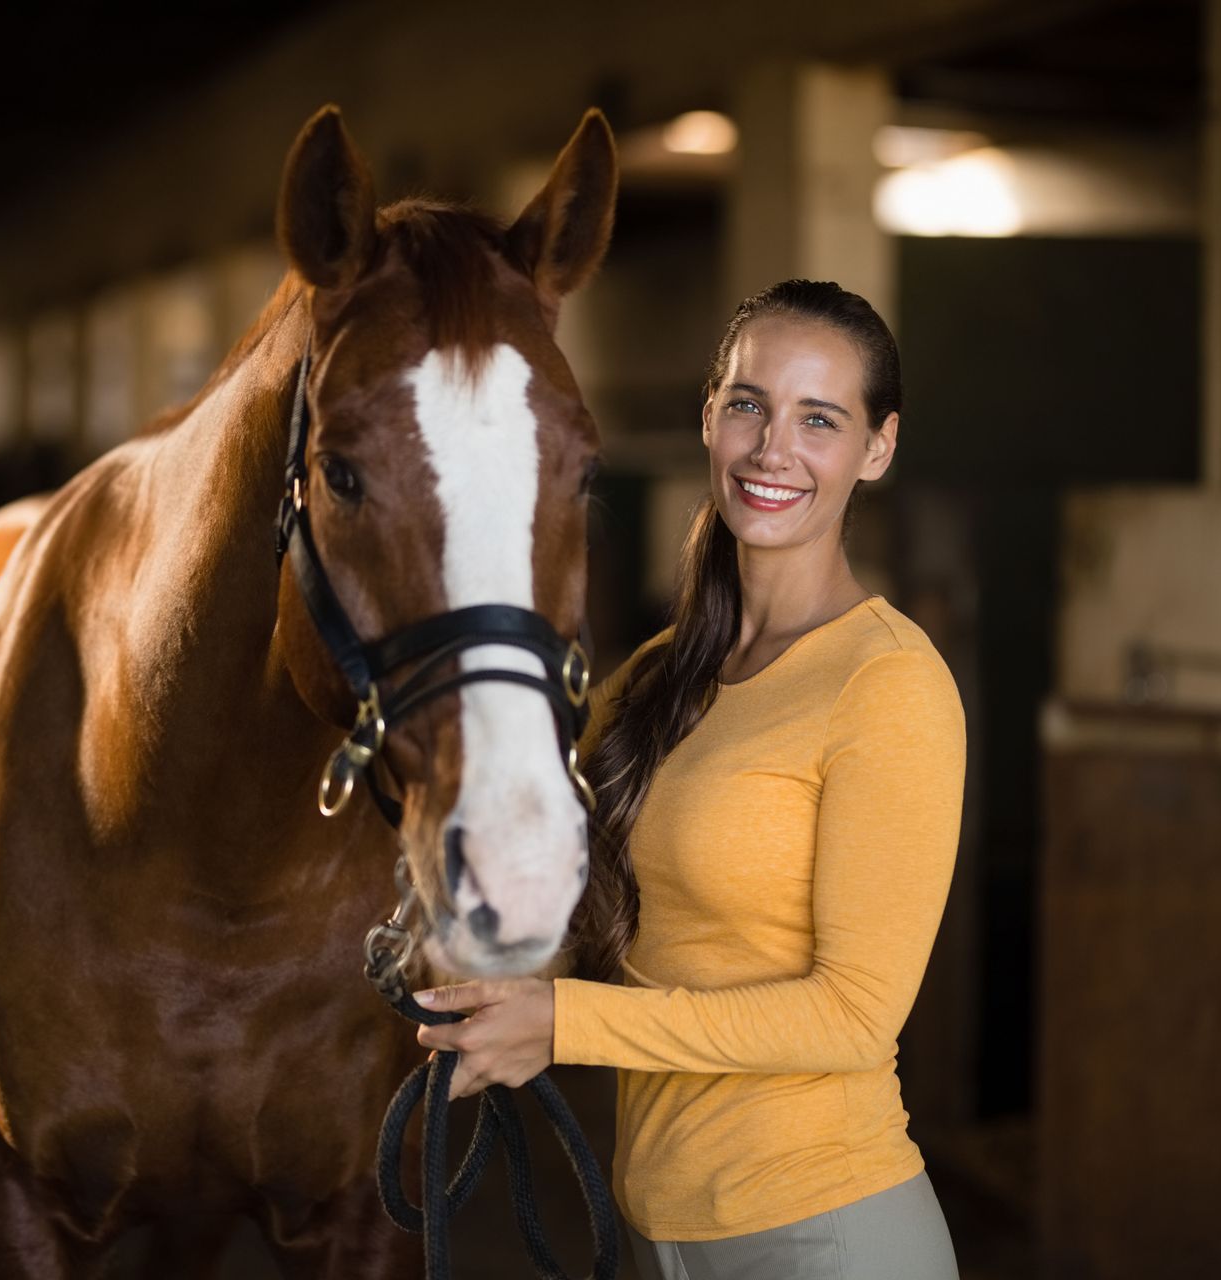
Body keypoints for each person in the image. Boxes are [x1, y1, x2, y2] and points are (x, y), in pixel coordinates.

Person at [413, 279, 965, 1279]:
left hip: (825, 1231)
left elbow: (851, 1013)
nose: (772, 448)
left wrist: (565, 1022)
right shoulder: (660, 675)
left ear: (876, 449)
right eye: (749, 404)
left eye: (820, 420)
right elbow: (552, 886)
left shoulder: (888, 685)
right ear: (710, 416)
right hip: (658, 1230)